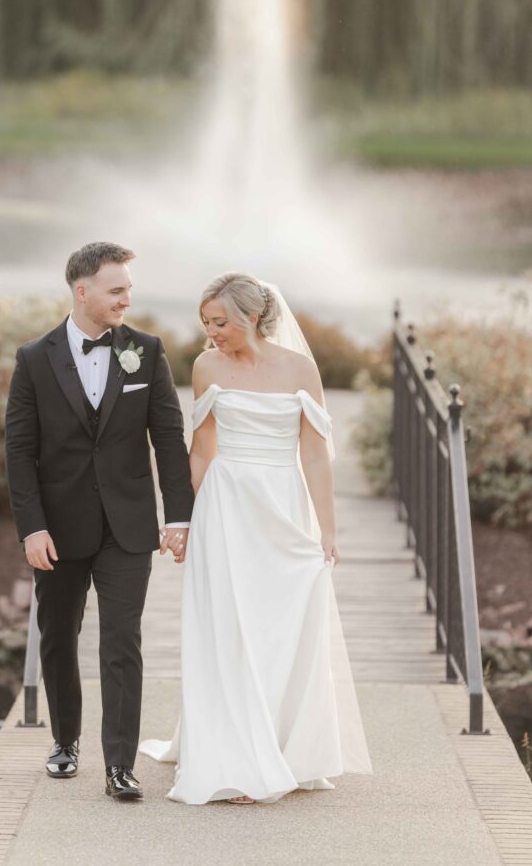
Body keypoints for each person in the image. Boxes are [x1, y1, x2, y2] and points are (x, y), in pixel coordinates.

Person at [139, 271, 373, 803]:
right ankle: (236, 755)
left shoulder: (300, 369)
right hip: (225, 507)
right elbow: (201, 448)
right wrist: (184, 519)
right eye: (205, 323)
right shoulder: (206, 366)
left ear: (252, 317)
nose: (211, 332)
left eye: (220, 322)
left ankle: (283, 747)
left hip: (282, 506)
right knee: (227, 624)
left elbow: (314, 451)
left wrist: (328, 529)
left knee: (280, 625)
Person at [4, 242, 194, 801]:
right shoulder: (34, 359)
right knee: (59, 635)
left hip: (130, 525)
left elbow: (167, 435)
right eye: (116, 290)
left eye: (128, 289)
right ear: (82, 291)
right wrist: (31, 526)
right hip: (58, 529)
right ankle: (66, 743)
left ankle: (120, 765)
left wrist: (179, 515)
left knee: (122, 641)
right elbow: (19, 451)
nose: (126, 299)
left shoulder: (146, 351)